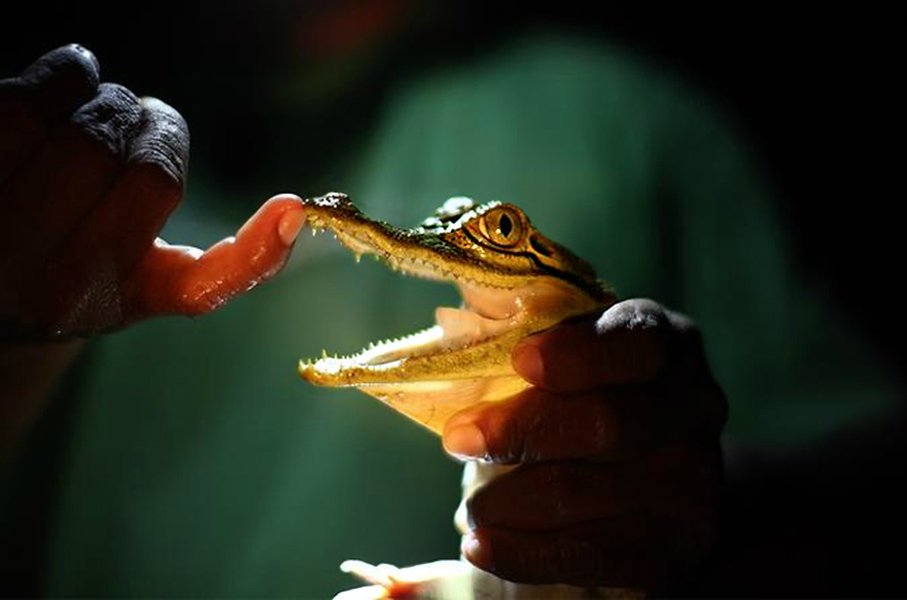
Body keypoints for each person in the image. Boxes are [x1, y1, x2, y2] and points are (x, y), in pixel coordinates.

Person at [2, 16, 902, 597]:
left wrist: (711, 505)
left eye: (495, 229)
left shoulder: (619, 118)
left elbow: (869, 469)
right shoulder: (82, 164)